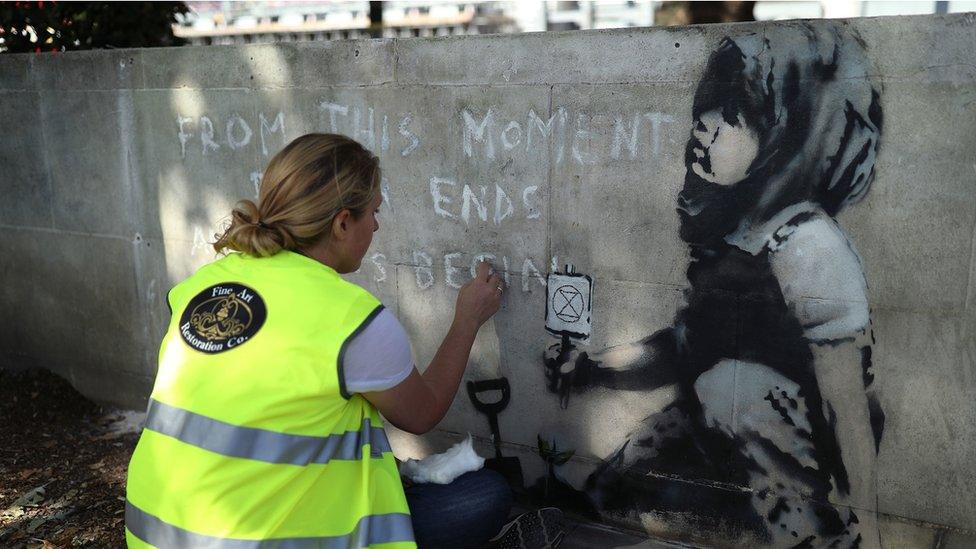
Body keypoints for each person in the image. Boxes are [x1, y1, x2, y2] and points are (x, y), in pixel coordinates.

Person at [125, 133, 521, 549]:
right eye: (373, 211)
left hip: (153, 533)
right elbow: (421, 415)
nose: (377, 224)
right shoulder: (349, 318)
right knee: (485, 495)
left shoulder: (198, 287)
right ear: (342, 223)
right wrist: (466, 321)